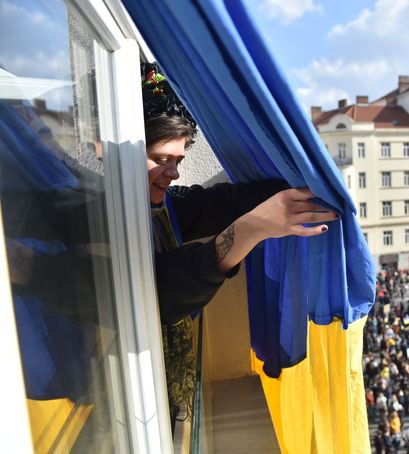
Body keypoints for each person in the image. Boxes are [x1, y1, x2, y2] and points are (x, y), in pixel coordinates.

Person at [140, 63, 337, 423]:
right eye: (160, 159)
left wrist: (310, 187)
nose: (173, 173)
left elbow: (222, 201)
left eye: (178, 160)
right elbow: (161, 292)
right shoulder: (91, 212)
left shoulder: (162, 203)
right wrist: (251, 230)